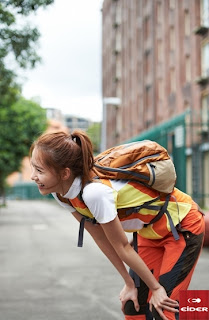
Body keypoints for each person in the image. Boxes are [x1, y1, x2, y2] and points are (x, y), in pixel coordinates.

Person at [30, 130, 205, 320]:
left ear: (65, 173)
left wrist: (156, 288)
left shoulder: (94, 193)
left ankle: (200, 311)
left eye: (39, 171)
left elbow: (121, 246)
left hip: (182, 225)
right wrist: (129, 282)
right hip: (148, 233)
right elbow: (102, 239)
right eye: (33, 168)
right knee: (133, 305)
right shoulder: (62, 193)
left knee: (165, 308)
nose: (33, 176)